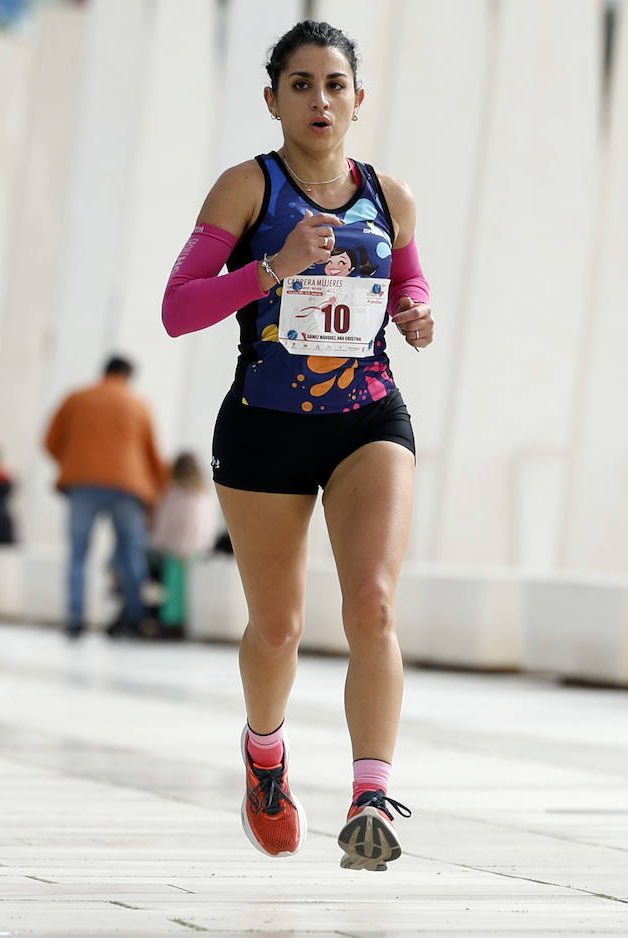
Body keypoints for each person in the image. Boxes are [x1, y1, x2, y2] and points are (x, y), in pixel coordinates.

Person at [160, 20, 433, 871]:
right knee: (277, 629)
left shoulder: (391, 193)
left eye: (336, 84)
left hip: (367, 416)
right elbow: (179, 309)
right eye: (303, 84)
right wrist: (270, 269)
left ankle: (371, 796)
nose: (321, 100)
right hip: (265, 426)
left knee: (374, 605)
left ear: (359, 98)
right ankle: (266, 759)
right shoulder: (248, 188)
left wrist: (416, 311)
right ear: (273, 97)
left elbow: (407, 277)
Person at [43, 355, 169, 639]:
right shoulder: (138, 404)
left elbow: (50, 441)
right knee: (129, 553)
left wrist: (73, 464)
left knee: (78, 553)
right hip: (128, 486)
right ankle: (135, 618)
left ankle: (75, 620)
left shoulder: (77, 398)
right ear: (128, 376)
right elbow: (152, 455)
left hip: (82, 484)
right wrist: (157, 490)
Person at [148, 452, 218, 637]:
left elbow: (164, 523)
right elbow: (206, 527)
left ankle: (171, 625)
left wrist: (160, 543)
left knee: (172, 589)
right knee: (187, 590)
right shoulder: (203, 495)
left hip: (177, 552)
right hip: (197, 552)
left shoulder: (173, 493)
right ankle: (183, 624)